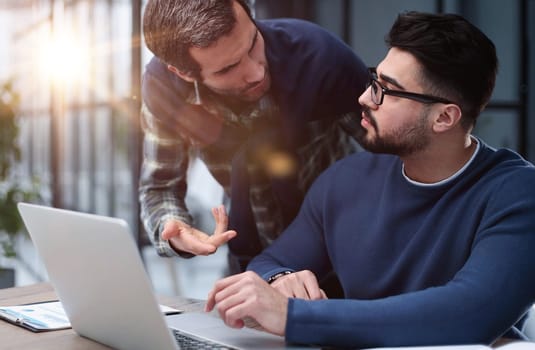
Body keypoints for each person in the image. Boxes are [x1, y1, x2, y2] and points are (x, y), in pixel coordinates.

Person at [205, 11, 535, 348]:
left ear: (444, 117)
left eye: (386, 91)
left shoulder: (517, 194)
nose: (364, 98)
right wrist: (279, 280)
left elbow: (470, 313)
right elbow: (270, 261)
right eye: (373, 80)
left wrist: (293, 317)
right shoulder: (344, 180)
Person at [138, 0, 368, 277]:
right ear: (184, 73)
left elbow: (398, 149)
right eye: (227, 69)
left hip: (346, 247)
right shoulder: (164, 91)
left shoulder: (319, 57)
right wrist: (174, 228)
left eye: (253, 43)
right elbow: (160, 187)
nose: (257, 72)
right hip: (248, 261)